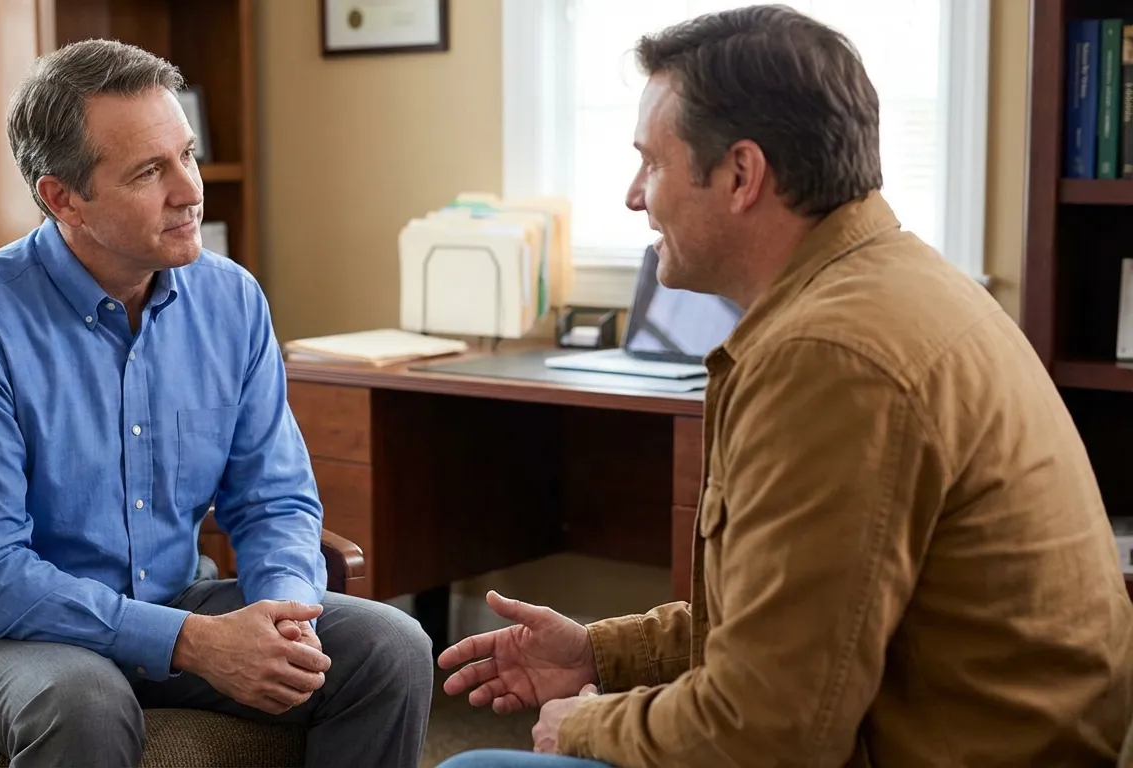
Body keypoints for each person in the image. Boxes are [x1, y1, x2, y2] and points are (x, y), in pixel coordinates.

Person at [438, 5, 1133, 767]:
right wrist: (599, 655)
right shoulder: (891, 284)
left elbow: (765, 734)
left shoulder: (831, 357)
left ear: (741, 174)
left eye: (654, 163)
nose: (635, 195)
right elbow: (793, 623)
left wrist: (583, 722)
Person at [0, 39, 432, 767]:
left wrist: (286, 614)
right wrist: (190, 643)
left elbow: (273, 500)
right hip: (2, 635)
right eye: (150, 171)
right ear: (63, 198)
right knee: (83, 702)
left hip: (178, 597)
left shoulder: (232, 300)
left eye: (186, 154)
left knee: (391, 648)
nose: (189, 190)